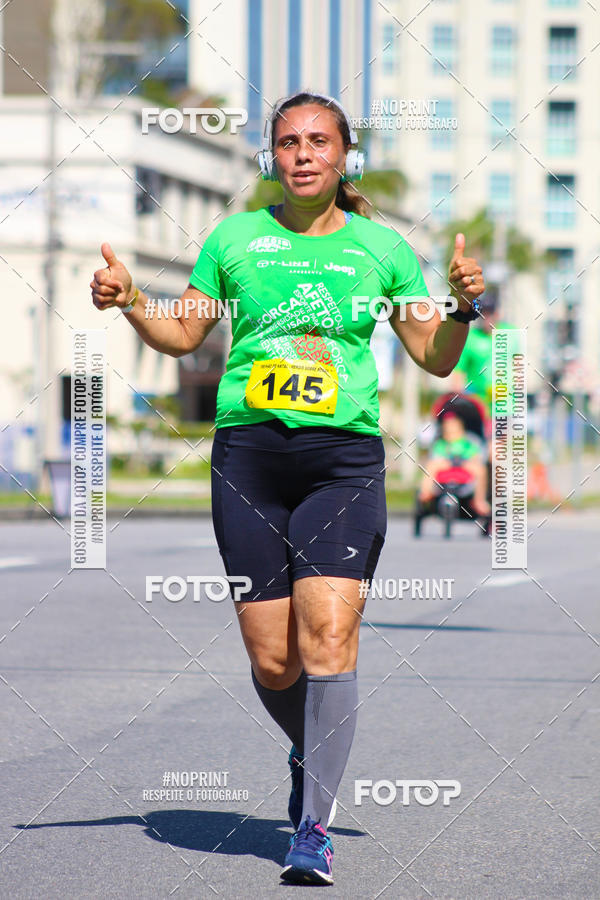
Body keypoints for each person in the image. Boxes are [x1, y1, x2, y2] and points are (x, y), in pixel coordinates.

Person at [90, 90, 486, 886]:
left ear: (345, 157)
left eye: (318, 142)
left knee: (328, 639)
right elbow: (183, 335)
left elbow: (433, 357)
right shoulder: (235, 238)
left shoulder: (383, 251)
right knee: (274, 662)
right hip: (249, 460)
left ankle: (313, 826)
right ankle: (314, 743)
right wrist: (132, 301)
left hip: (342, 460)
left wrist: (464, 308)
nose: (303, 154)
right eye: (288, 143)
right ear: (271, 157)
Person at [418, 411, 491, 516]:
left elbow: (475, 456)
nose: (450, 431)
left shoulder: (467, 443)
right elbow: (436, 456)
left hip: (464, 468)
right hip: (446, 468)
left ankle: (479, 500)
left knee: (480, 469)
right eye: (447, 429)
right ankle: (426, 492)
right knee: (432, 465)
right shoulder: (441, 444)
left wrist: (466, 461)